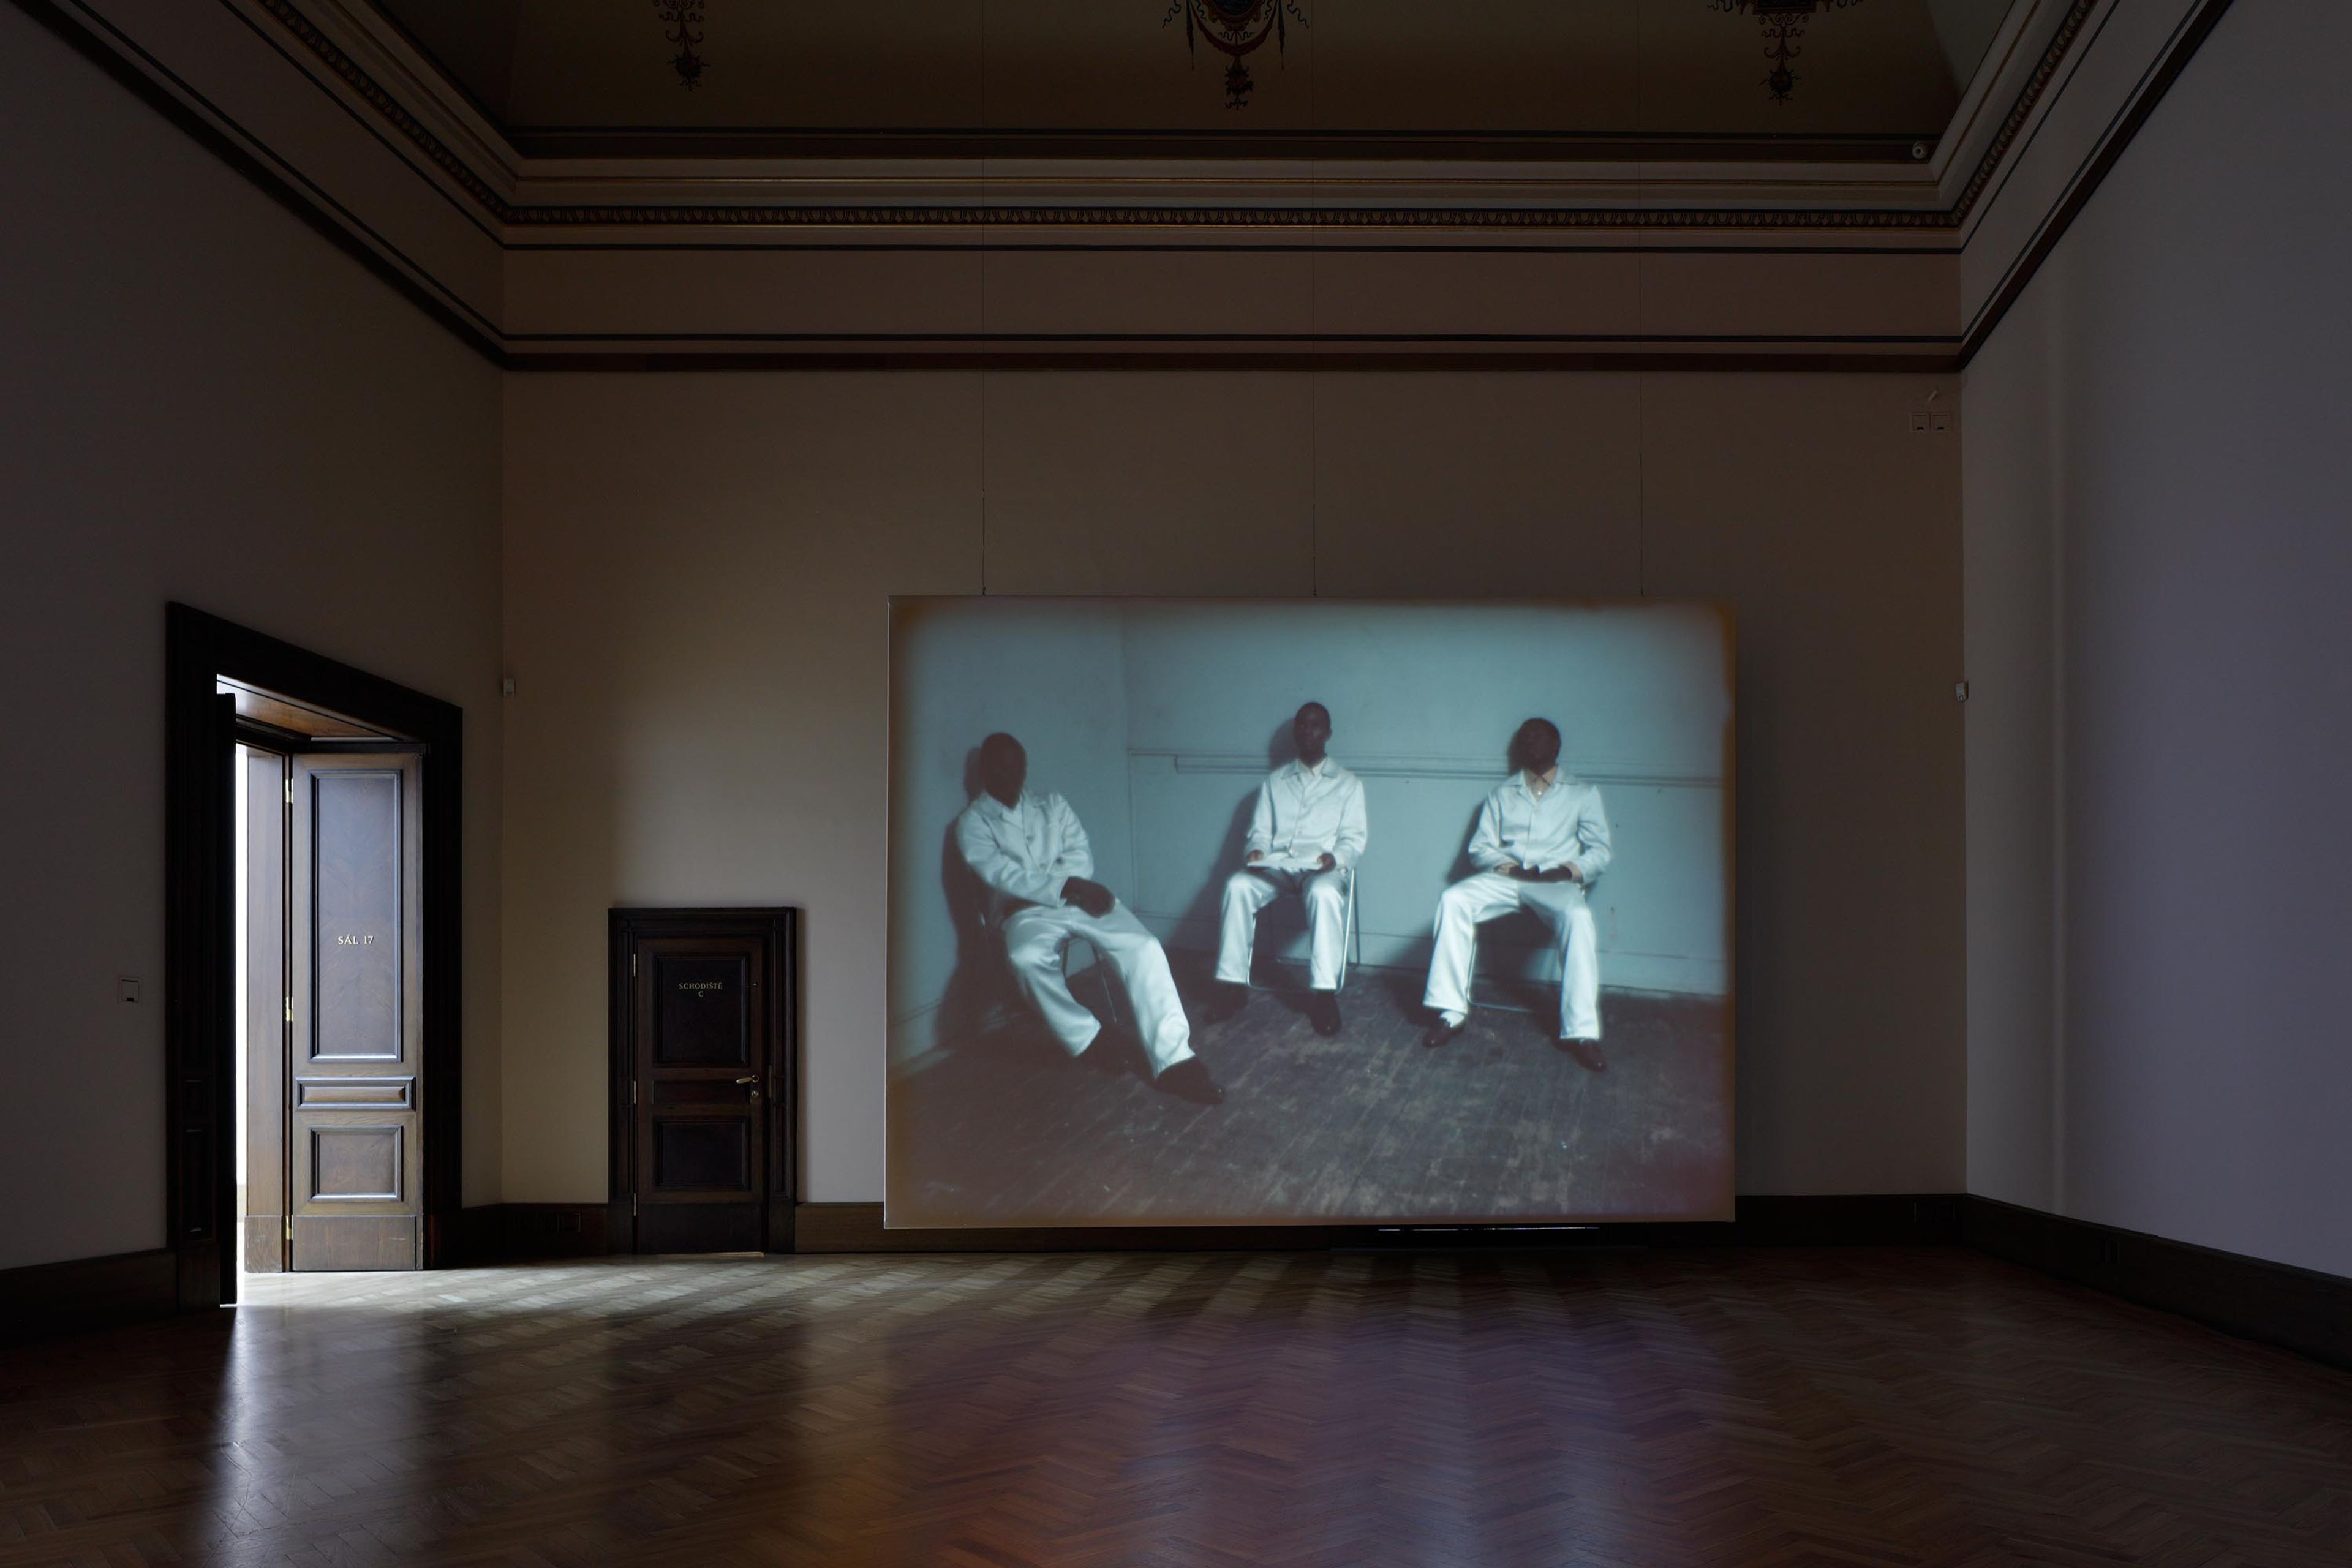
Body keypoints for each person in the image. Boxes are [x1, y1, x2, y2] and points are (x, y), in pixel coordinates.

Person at [955, 732, 1223, 1105]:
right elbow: (1001, 875)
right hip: (1026, 913)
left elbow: (1080, 854)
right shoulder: (973, 822)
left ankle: (1176, 1059)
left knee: (1143, 946)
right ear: (984, 771)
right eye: (1000, 768)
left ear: (1025, 768)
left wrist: (1070, 888)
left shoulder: (1052, 804)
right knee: (1025, 959)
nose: (1010, 777)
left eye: (1017, 768)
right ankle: (1087, 1040)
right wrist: (1063, 886)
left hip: (1081, 899)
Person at [1420, 717, 1613, 1069]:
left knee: (1579, 917)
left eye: (1538, 736)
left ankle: (1583, 1032)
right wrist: (1509, 868)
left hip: (1556, 882)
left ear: (1557, 745)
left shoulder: (1583, 793)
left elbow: (1600, 852)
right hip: (1509, 878)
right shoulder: (1502, 793)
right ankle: (1450, 1012)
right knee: (1454, 899)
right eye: (1525, 738)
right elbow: (1480, 848)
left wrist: (1567, 871)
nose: (1531, 742)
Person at [1204, 702, 1368, 1036]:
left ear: (1328, 733)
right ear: (1297, 733)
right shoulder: (1275, 782)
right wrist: (1257, 850)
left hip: (1321, 869)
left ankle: (1323, 994)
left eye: (1316, 726)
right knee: (1238, 885)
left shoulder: (1348, 784)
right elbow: (1259, 832)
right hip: (1278, 868)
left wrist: (1333, 858)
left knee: (1323, 893)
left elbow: (1354, 838)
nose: (1309, 732)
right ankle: (1232, 986)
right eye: (1303, 727)